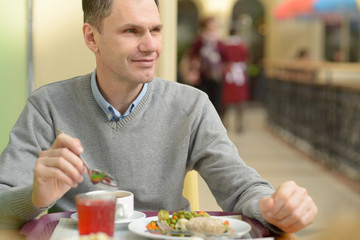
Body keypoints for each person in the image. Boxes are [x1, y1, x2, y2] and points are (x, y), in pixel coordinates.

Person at [0, 0, 317, 235]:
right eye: (131, 31)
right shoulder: (47, 105)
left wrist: (272, 206)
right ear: (91, 38)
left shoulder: (192, 106)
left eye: (155, 30)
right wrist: (34, 196)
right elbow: (3, 200)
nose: (150, 45)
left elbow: (241, 188)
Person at [188, 16, 228, 114]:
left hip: (216, 75)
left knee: (216, 101)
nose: (213, 26)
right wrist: (194, 69)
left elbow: (225, 57)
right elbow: (193, 55)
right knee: (203, 99)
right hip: (203, 75)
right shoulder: (200, 40)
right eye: (211, 24)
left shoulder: (219, 41)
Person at [220, 29, 250, 132]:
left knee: (226, 99)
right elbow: (247, 58)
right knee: (240, 99)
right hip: (239, 74)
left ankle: (224, 122)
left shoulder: (225, 45)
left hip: (228, 73)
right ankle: (239, 124)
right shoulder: (242, 46)